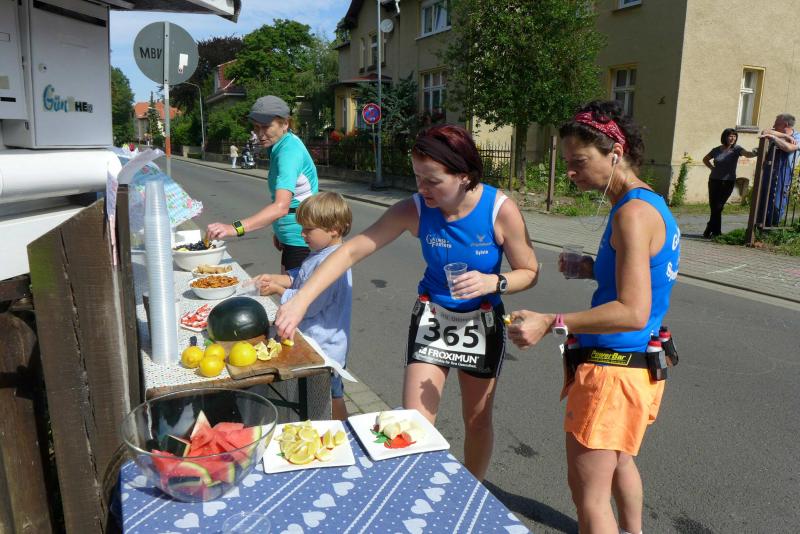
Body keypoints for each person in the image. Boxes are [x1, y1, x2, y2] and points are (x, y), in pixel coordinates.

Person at [275, 124, 539, 480]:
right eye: (417, 178)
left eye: (432, 181)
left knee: (477, 421)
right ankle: (418, 491)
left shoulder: (499, 210)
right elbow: (351, 250)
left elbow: (530, 271)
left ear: (464, 176)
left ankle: (472, 489)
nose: (422, 189)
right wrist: (302, 300)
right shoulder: (415, 209)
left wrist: (495, 281)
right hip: (433, 317)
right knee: (412, 423)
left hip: (481, 320)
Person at [506, 100, 680, 534]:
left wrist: (551, 321)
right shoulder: (648, 203)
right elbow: (647, 276)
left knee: (589, 499)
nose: (570, 172)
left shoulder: (632, 214)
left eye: (579, 161)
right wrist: (592, 267)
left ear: (615, 153)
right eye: (567, 162)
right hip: (638, 365)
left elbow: (632, 311)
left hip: (611, 373)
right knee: (620, 463)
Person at [252, 192, 353, 420]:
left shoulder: (333, 264)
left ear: (334, 229)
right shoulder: (320, 254)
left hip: (324, 349)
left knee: (332, 396)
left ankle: (344, 429)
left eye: (308, 229)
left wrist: (278, 290)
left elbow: (310, 304)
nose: (302, 234)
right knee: (324, 394)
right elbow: (300, 278)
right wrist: (275, 279)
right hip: (313, 343)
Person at [208, 95, 319, 271]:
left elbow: (281, 207)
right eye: (256, 127)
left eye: (266, 126)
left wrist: (233, 228)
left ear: (285, 124)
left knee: (293, 289)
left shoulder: (288, 153)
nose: (260, 134)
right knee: (287, 287)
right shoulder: (281, 144)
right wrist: (279, 229)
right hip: (291, 236)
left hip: (301, 238)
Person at [701, 128, 756, 238]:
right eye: (730, 136)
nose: (733, 138)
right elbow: (705, 159)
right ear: (725, 137)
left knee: (719, 206)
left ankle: (710, 228)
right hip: (714, 180)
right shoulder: (716, 150)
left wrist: (756, 153)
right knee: (714, 206)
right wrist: (712, 168)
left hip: (728, 182)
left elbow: (747, 154)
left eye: (734, 136)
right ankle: (715, 232)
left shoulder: (737, 149)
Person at [756, 113, 800, 227]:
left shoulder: (798, 137)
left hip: (784, 173)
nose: (773, 125)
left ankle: (773, 226)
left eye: (776, 123)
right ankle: (760, 225)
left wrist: (774, 138)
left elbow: (789, 148)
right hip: (768, 170)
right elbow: (765, 131)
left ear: (785, 124)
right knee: (763, 197)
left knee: (778, 201)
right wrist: (785, 136)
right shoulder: (777, 132)